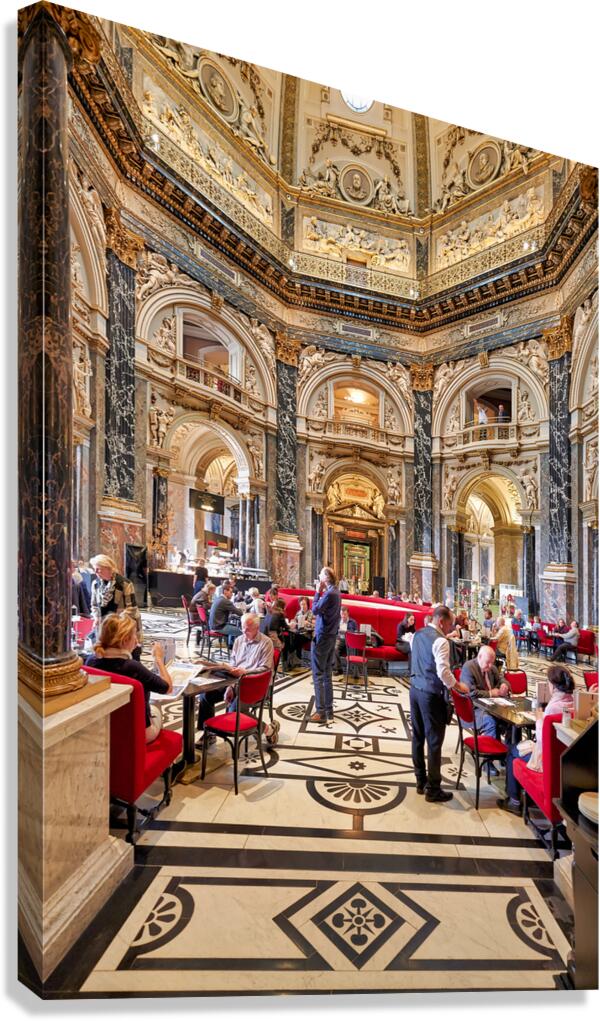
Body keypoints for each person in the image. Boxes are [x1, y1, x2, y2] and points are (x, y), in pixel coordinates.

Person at [409, 605, 470, 802]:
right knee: (434, 741)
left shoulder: (417, 634)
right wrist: (458, 686)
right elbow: (443, 672)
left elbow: (416, 658)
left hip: (414, 689)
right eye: (450, 623)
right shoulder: (441, 641)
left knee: (418, 736)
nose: (451, 627)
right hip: (430, 694)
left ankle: (420, 781)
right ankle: (433, 789)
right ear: (441, 621)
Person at [497, 665, 575, 814]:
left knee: (512, 751)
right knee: (519, 747)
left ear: (553, 685)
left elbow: (542, 737)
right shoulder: (573, 701)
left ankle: (514, 801)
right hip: (565, 758)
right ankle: (525, 795)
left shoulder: (553, 707)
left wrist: (539, 714)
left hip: (545, 759)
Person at [86, 613, 172, 743]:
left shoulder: (91, 661)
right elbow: (168, 688)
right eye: (134, 635)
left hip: (104, 728)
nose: (137, 640)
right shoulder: (132, 668)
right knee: (155, 709)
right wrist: (158, 658)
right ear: (125, 640)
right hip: (136, 732)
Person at [196, 612, 279, 746]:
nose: (244, 632)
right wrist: (230, 686)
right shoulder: (239, 640)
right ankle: (209, 734)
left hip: (256, 684)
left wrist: (245, 672)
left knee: (235, 710)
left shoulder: (266, 643)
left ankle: (268, 730)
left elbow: (266, 669)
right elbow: (233, 665)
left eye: (248, 629)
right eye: (243, 628)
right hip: (235, 682)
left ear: (257, 628)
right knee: (206, 695)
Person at [460, 646, 510, 773]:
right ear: (480, 657)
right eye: (488, 662)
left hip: (492, 706)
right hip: (473, 709)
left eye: (492, 662)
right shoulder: (468, 668)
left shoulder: (491, 668)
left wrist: (504, 685)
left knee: (510, 720)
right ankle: (488, 762)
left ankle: (506, 755)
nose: (490, 666)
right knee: (490, 720)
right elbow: (471, 693)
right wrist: (491, 693)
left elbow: (502, 679)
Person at [90, 554, 143, 657]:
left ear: (108, 568)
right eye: (94, 569)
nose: (95, 572)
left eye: (98, 569)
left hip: (123, 624)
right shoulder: (95, 584)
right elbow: (94, 605)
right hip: (105, 625)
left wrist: (117, 622)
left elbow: (131, 608)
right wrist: (96, 617)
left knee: (126, 654)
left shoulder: (125, 584)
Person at [310, 567, 342, 726]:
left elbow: (315, 610)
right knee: (327, 674)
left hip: (323, 636)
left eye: (321, 574)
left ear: (326, 578)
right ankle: (329, 710)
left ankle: (321, 711)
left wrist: (317, 592)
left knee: (318, 674)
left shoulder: (329, 594)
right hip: (331, 636)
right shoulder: (337, 592)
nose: (319, 576)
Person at [209, 581, 244, 649]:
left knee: (234, 626)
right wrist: (241, 609)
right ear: (225, 591)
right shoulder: (225, 601)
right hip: (219, 627)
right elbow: (240, 613)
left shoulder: (218, 598)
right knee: (243, 632)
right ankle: (238, 650)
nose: (232, 594)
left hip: (213, 625)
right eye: (231, 592)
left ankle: (231, 646)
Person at [334, 605, 358, 675]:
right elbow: (334, 632)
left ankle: (352, 671)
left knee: (352, 650)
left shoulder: (353, 622)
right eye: (342, 614)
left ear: (348, 614)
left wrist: (347, 632)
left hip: (349, 640)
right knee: (335, 649)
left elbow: (356, 632)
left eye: (345, 614)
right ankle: (338, 669)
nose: (343, 616)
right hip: (340, 639)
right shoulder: (338, 621)